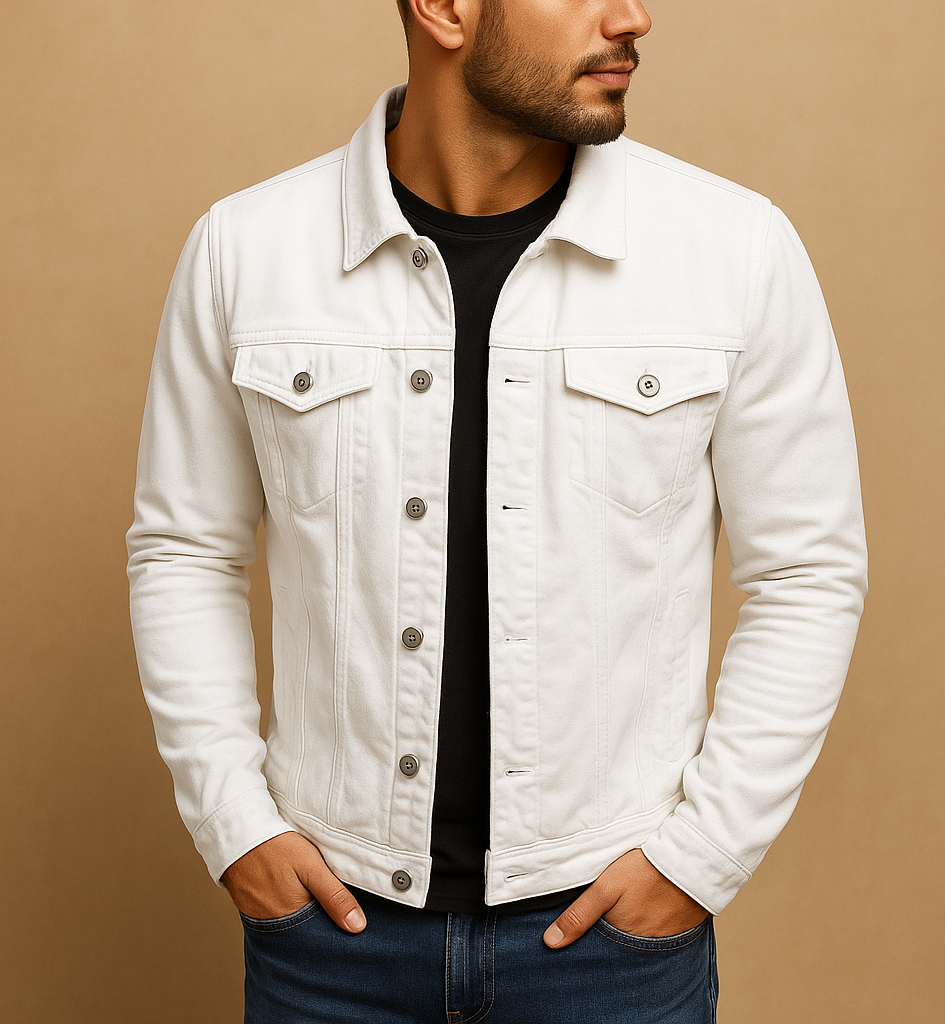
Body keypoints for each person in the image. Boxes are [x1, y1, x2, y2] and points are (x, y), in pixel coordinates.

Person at [127, 0, 867, 1020]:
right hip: (330, 947)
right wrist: (235, 825)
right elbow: (184, 551)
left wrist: (699, 858)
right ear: (443, 8)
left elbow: (807, 573)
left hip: (612, 951)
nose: (633, 17)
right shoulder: (246, 251)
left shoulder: (734, 250)